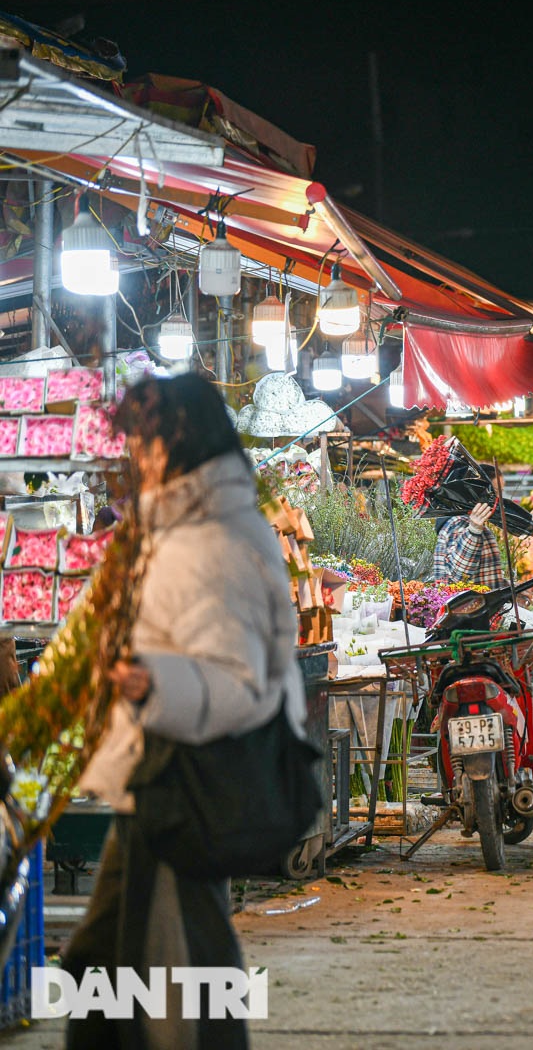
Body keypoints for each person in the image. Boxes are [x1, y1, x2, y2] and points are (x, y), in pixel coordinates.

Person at [67, 374, 305, 1050]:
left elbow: (241, 678)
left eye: (146, 441)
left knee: (177, 976)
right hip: (157, 777)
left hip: (184, 779)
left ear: (180, 443)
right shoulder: (181, 525)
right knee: (105, 964)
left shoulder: (215, 539)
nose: (134, 455)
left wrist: (153, 683)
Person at [431, 462, 508, 587]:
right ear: (476, 490)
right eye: (495, 491)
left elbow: (483, 575)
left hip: (480, 598)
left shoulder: (466, 520)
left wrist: (509, 587)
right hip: (471, 600)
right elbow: (458, 577)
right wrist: (474, 531)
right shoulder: (459, 523)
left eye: (501, 492)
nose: (498, 498)